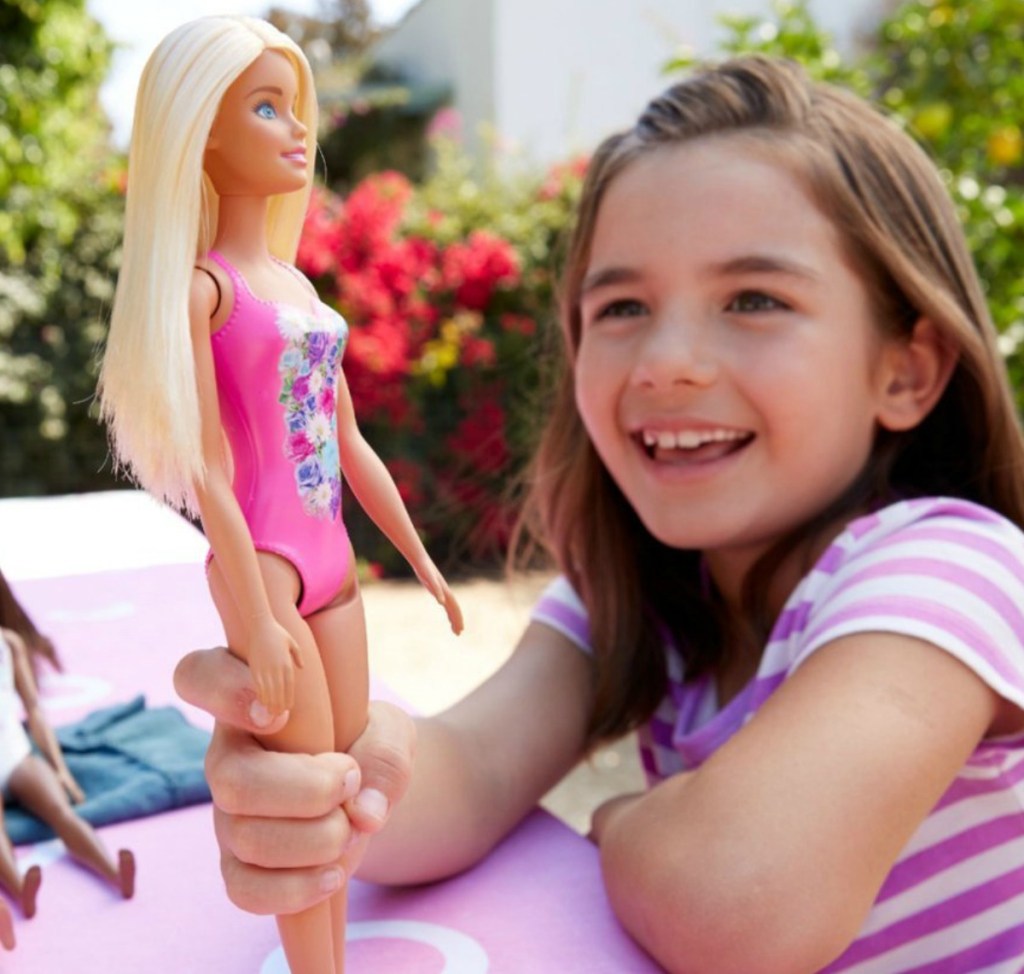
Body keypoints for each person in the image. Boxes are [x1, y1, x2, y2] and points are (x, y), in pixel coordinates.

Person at [175, 55, 1024, 973]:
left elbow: (734, 902)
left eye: (753, 299)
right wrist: (322, 775)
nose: (667, 362)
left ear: (906, 369)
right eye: (622, 306)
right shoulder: (641, 597)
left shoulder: (953, 571)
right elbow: (469, 771)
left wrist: (616, 819)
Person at [97, 15, 462, 974]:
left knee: (339, 798)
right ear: (203, 132)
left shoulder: (300, 288)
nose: (299, 127)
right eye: (266, 107)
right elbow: (211, 467)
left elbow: (349, 443)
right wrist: (254, 618)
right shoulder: (204, 290)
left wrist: (420, 558)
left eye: (294, 104)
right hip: (263, 562)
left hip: (334, 562)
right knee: (297, 793)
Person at [0, 628, 134, 951]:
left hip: (16, 755)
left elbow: (34, 710)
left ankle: (114, 872)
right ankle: (19, 889)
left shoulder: (8, 642)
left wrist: (60, 770)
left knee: (62, 812)